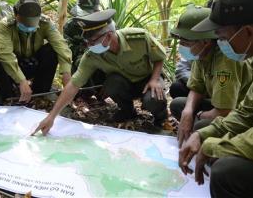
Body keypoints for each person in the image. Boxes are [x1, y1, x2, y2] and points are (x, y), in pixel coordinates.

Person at [179, 0, 253, 197]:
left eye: (223, 37)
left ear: (248, 32)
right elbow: (247, 114)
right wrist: (204, 133)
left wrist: (215, 146)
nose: (220, 43)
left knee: (227, 172)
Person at [33, 9, 168, 135]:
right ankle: (128, 111)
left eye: (92, 41)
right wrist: (51, 117)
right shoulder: (92, 56)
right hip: (124, 84)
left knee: (154, 99)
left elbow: (159, 57)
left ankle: (160, 119)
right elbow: (74, 84)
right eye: (87, 42)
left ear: (108, 36)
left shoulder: (138, 38)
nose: (89, 46)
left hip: (148, 80)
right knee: (112, 83)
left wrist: (155, 79)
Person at [170, 5, 253, 147]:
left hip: (238, 113)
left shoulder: (226, 60)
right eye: (180, 42)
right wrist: (188, 111)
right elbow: (196, 87)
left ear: (205, 41)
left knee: (201, 126)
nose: (181, 47)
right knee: (179, 105)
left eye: (186, 43)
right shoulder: (201, 53)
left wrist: (197, 116)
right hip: (219, 103)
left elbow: (225, 111)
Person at [0, 0, 72, 103]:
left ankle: (39, 93)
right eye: (25, 23)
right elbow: (4, 54)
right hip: (14, 66)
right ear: (16, 15)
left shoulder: (45, 23)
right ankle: (7, 97)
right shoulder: (5, 25)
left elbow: (61, 45)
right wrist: (21, 81)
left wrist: (66, 72)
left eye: (32, 24)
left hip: (34, 63)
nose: (29, 27)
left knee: (51, 51)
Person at [64, 0, 105, 97]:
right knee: (82, 59)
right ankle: (84, 93)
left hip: (103, 64)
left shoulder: (106, 25)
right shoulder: (71, 26)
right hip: (80, 66)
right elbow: (66, 50)